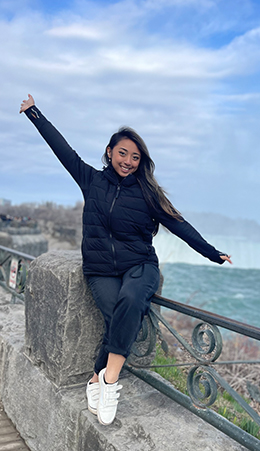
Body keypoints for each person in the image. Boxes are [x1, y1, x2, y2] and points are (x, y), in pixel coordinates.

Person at [19, 94, 232, 426]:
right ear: (109, 152)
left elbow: (178, 224)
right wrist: (34, 113)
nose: (129, 161)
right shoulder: (91, 181)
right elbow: (62, 149)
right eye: (123, 153)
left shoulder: (147, 193)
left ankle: (109, 379)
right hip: (101, 270)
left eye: (135, 156)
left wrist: (211, 252)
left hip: (140, 265)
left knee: (131, 299)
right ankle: (95, 378)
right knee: (116, 317)